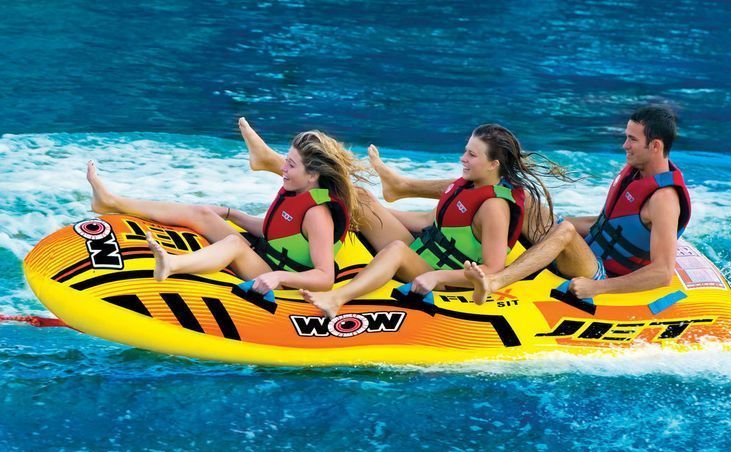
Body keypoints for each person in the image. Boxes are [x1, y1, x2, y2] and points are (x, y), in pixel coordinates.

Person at [371, 105, 691, 302]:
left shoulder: (664, 199)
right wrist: (552, 222)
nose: (624, 145)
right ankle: (403, 187)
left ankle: (494, 280)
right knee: (507, 189)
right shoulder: (635, 173)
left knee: (563, 232)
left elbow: (662, 273)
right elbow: (606, 225)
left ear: (655, 146)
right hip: (587, 251)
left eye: (632, 139)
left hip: (601, 273)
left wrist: (597, 289)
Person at [301, 124, 559, 318]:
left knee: (397, 250)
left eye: (472, 155)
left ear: (493, 164)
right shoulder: (467, 186)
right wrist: (373, 212)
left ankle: (337, 298)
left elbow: (493, 268)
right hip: (422, 253)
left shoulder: (494, 207)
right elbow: (427, 220)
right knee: (359, 198)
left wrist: (437, 276)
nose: (463, 158)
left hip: (445, 278)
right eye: (465, 151)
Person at [86, 119, 369, 293]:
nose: (283, 168)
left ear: (312, 175)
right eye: (286, 160)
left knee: (234, 244)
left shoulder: (318, 215)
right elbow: (280, 234)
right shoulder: (297, 192)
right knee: (204, 213)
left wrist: (277, 277)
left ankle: (172, 264)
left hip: (282, 279)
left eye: (291, 165)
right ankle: (111, 202)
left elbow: (324, 277)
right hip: (265, 256)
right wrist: (233, 214)